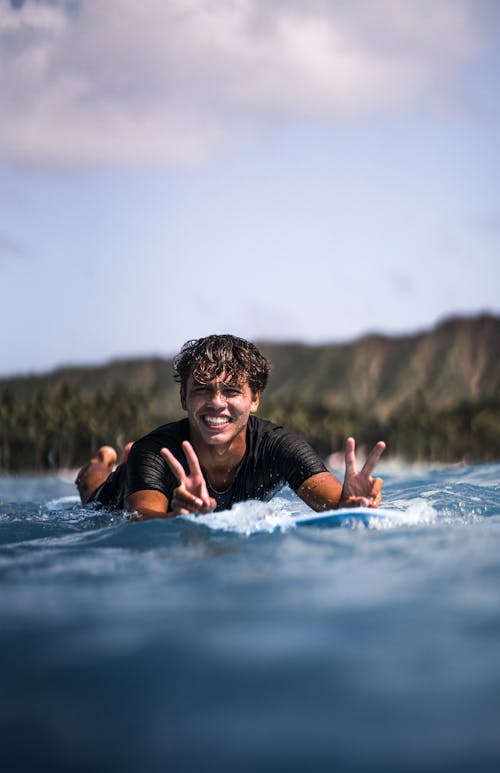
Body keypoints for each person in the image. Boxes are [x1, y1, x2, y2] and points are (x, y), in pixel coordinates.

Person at [76, 334, 386, 519]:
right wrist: (179, 519)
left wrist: (349, 505)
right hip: (117, 489)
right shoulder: (157, 452)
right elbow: (140, 520)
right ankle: (103, 460)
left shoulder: (278, 446)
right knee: (93, 487)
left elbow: (335, 502)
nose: (217, 403)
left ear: (255, 400)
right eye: (202, 389)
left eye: (232, 391)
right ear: (183, 396)